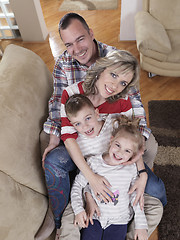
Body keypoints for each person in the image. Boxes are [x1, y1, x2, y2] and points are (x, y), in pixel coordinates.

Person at [36, 13, 165, 240]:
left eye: (80, 39)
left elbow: (133, 129)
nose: (115, 85)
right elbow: (59, 107)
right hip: (89, 158)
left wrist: (141, 172)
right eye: (68, 44)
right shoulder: (72, 89)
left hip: (117, 159)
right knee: (53, 156)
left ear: (91, 34)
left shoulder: (120, 83)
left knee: (157, 193)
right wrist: (90, 182)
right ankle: (57, 217)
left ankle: (129, 225)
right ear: (101, 69)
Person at [70, 114, 148, 240]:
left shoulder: (131, 169)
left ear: (134, 155)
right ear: (111, 140)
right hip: (94, 217)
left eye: (127, 151)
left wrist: (141, 225)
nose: (119, 152)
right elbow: (77, 186)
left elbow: (136, 197)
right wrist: (79, 210)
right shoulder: (93, 163)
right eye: (118, 145)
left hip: (119, 221)